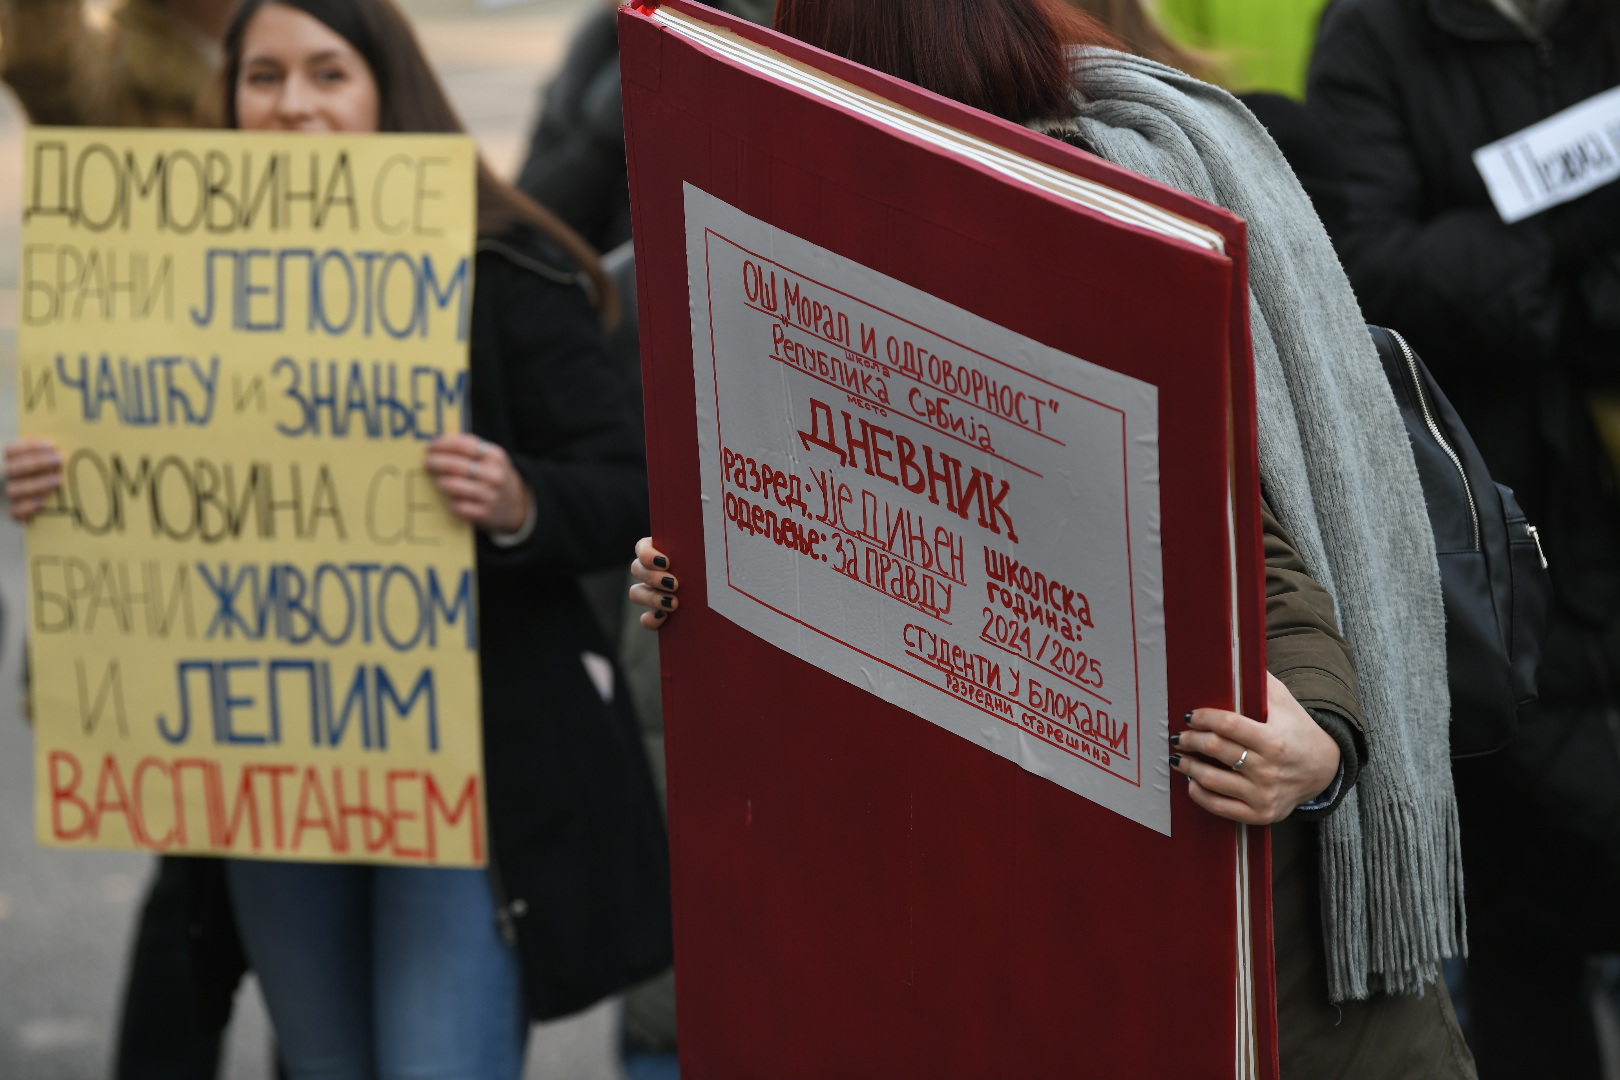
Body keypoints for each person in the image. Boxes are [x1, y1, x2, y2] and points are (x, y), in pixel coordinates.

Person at [627, 0, 1474, 1075]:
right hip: (976, 907)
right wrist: (685, 575)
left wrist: (1320, 750)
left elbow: (1250, 548)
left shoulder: (1078, 227)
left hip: (1208, 940)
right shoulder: (810, 251)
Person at [7, 0, 671, 1074]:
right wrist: (65, 484)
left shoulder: (495, 266)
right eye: (261, 78)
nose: (293, 106)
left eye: (327, 74)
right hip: (277, 777)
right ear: (225, 101)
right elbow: (157, 481)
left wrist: (519, 502)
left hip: (458, 787)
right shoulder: (162, 276)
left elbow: (621, 487)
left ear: (385, 93)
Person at [1307, 1, 1620, 1075]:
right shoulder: (1372, 39)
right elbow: (1374, 269)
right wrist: (1579, 238)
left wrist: (1527, 259)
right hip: (1495, 536)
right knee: (1525, 908)